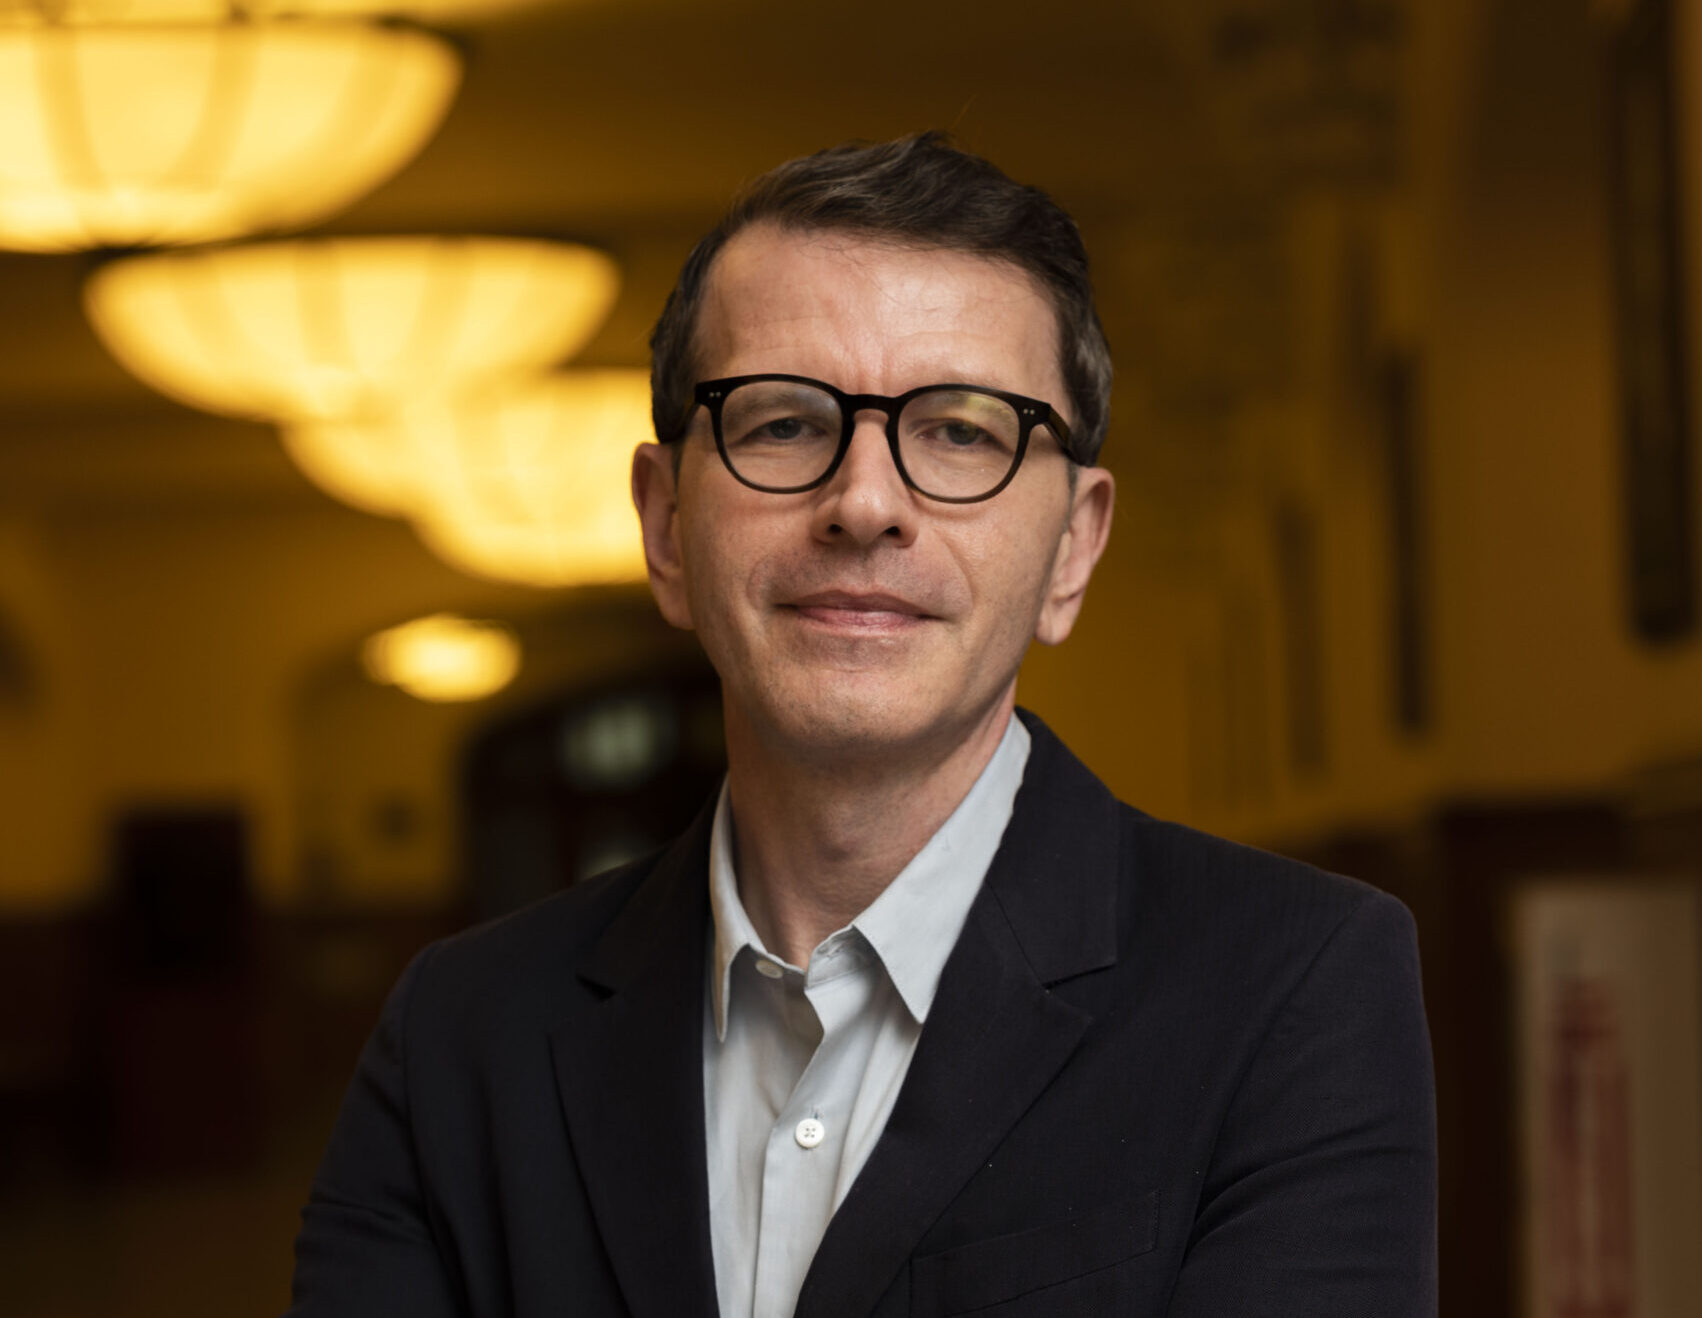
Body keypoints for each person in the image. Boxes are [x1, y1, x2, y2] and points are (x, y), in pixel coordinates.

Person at [288, 133, 1437, 1318]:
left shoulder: (1292, 987)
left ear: (1071, 548)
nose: (867, 503)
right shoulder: (462, 1035)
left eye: (961, 431)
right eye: (783, 422)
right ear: (666, 526)